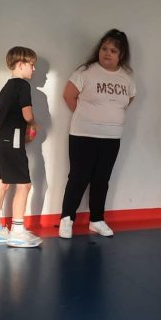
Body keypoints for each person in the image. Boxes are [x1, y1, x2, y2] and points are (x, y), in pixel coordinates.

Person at [58, 29, 136, 238]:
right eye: (104, 48)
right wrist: (89, 117)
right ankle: (67, 219)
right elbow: (68, 95)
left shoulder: (126, 78)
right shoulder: (85, 71)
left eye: (113, 50)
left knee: (102, 179)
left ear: (121, 55)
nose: (107, 53)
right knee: (78, 178)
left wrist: (109, 117)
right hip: (83, 136)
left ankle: (97, 220)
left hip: (112, 138)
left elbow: (129, 99)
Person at [0, 46, 42, 248]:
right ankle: (18, 231)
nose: (34, 69)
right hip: (13, 140)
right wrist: (33, 124)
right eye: (32, 65)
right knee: (24, 185)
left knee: (1, 185)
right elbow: (27, 114)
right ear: (21, 64)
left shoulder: (6, 86)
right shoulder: (23, 86)